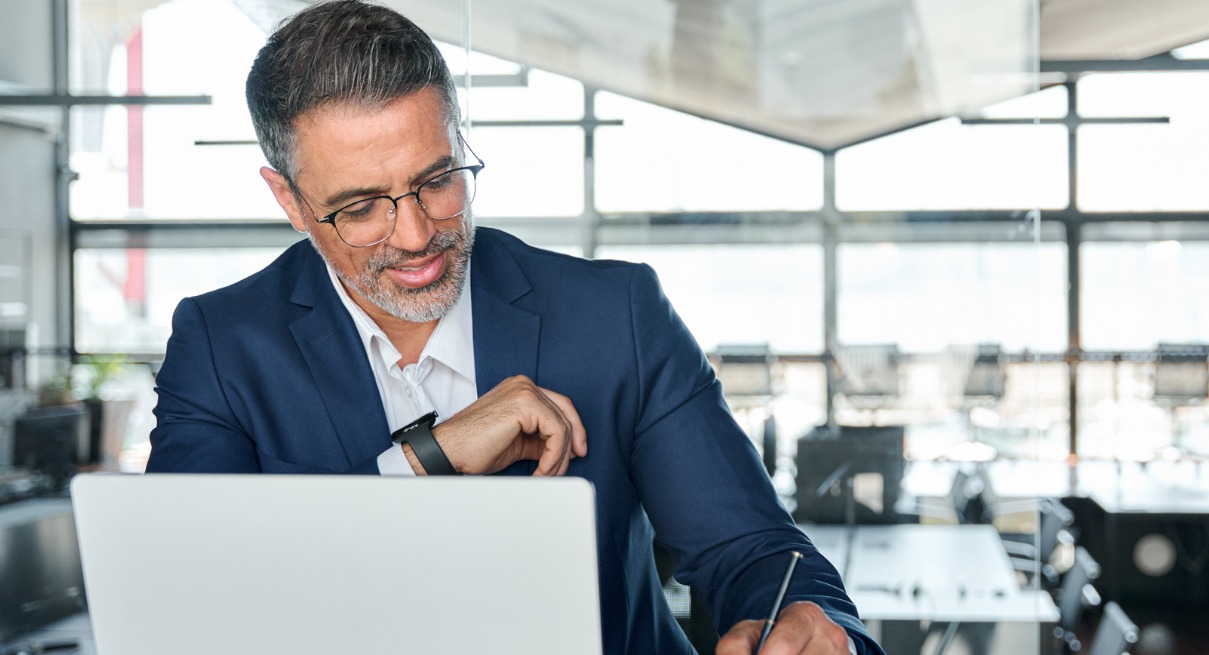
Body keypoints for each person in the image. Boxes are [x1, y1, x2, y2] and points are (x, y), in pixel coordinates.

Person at [144, 2, 879, 653]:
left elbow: (753, 550)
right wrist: (431, 458)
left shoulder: (616, 314)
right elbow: (189, 602)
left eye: (438, 179)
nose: (415, 234)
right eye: (361, 206)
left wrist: (813, 624)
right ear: (290, 198)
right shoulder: (221, 345)